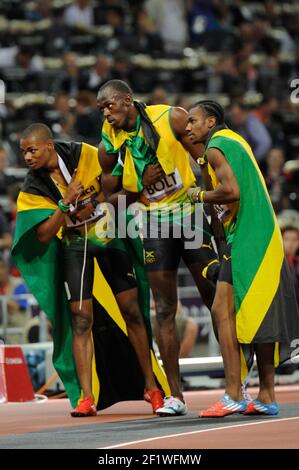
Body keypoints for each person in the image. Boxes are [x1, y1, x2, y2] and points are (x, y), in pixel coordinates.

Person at [13, 123, 166, 417]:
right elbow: (44, 235)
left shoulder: (82, 154)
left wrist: (97, 201)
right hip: (74, 244)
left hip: (108, 234)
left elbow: (118, 180)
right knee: (80, 318)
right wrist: (65, 203)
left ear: (49, 145)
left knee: (131, 311)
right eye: (23, 152)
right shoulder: (32, 185)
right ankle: (86, 397)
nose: (27, 157)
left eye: (32, 150)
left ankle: (152, 387)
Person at [97, 79, 220, 416]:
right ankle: (175, 396)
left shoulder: (171, 118)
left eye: (110, 106)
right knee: (164, 308)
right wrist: (139, 189)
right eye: (101, 109)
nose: (106, 114)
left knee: (214, 297)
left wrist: (214, 210)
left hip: (190, 214)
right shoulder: (109, 142)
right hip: (153, 224)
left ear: (127, 100)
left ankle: (237, 385)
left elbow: (206, 160)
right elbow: (110, 200)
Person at [186, 100, 299, 417]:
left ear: (210, 122)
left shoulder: (216, 147)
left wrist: (198, 194)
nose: (188, 126)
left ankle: (233, 393)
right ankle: (266, 395)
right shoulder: (235, 141)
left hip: (250, 238)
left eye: (194, 120)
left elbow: (231, 192)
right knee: (260, 315)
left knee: (223, 309)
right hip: (262, 234)